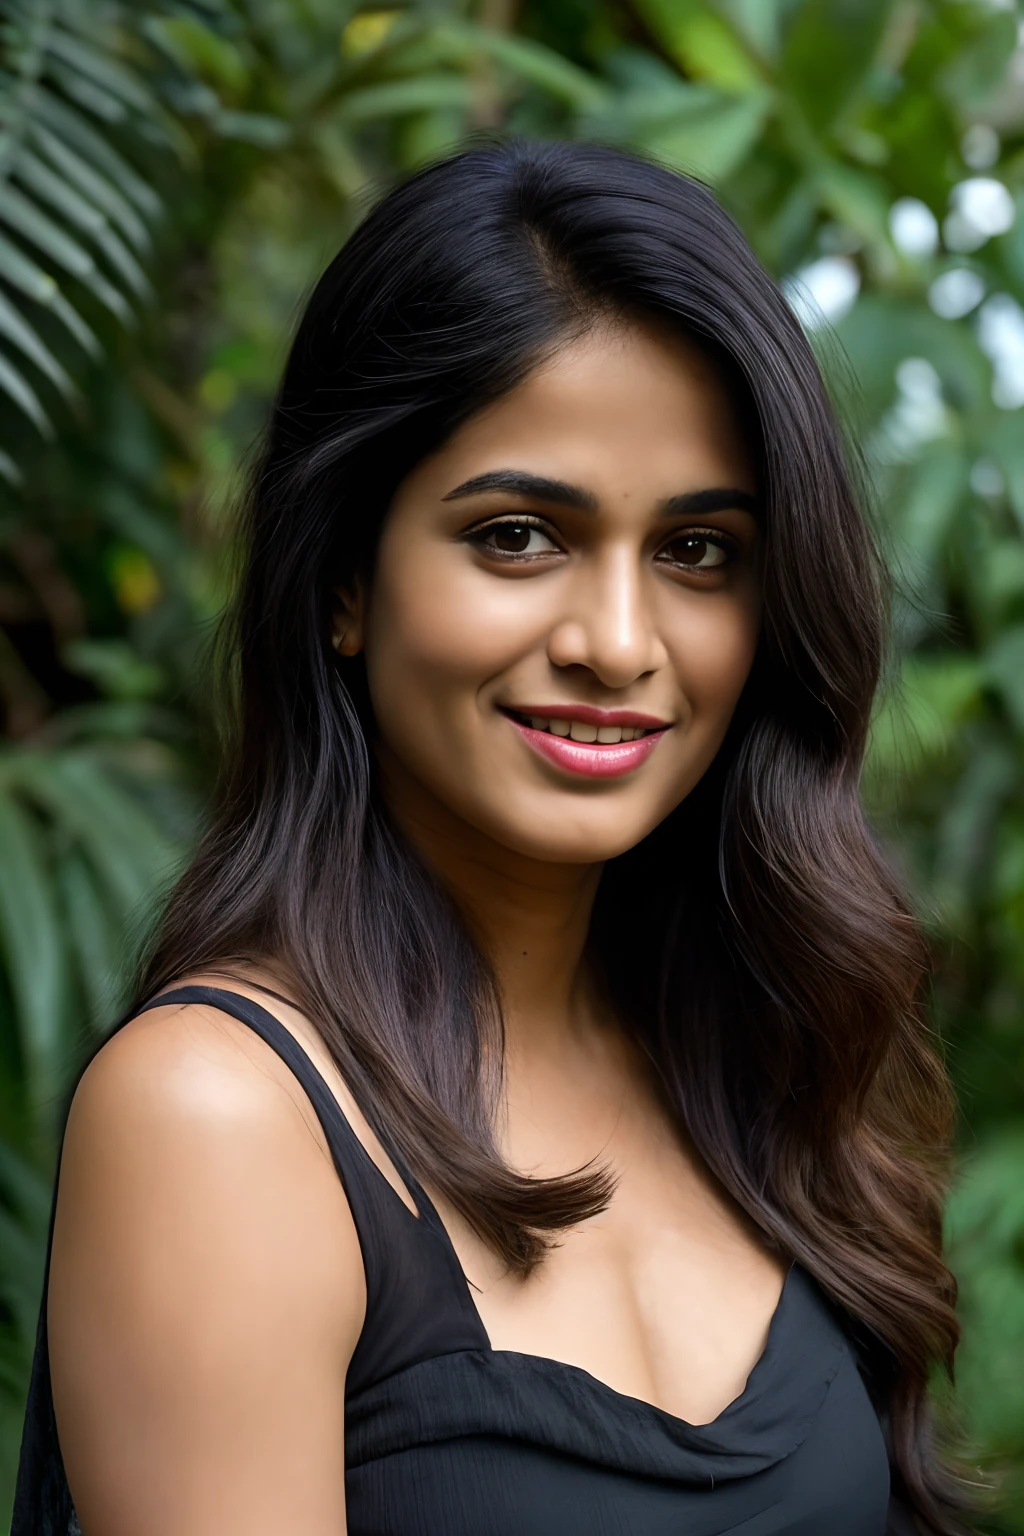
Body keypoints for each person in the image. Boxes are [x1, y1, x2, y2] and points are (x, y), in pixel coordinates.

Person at [13, 138, 967, 1536]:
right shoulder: (224, 1121)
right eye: (520, 536)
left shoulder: (757, 1053)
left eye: (699, 551)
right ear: (345, 578)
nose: (620, 643)